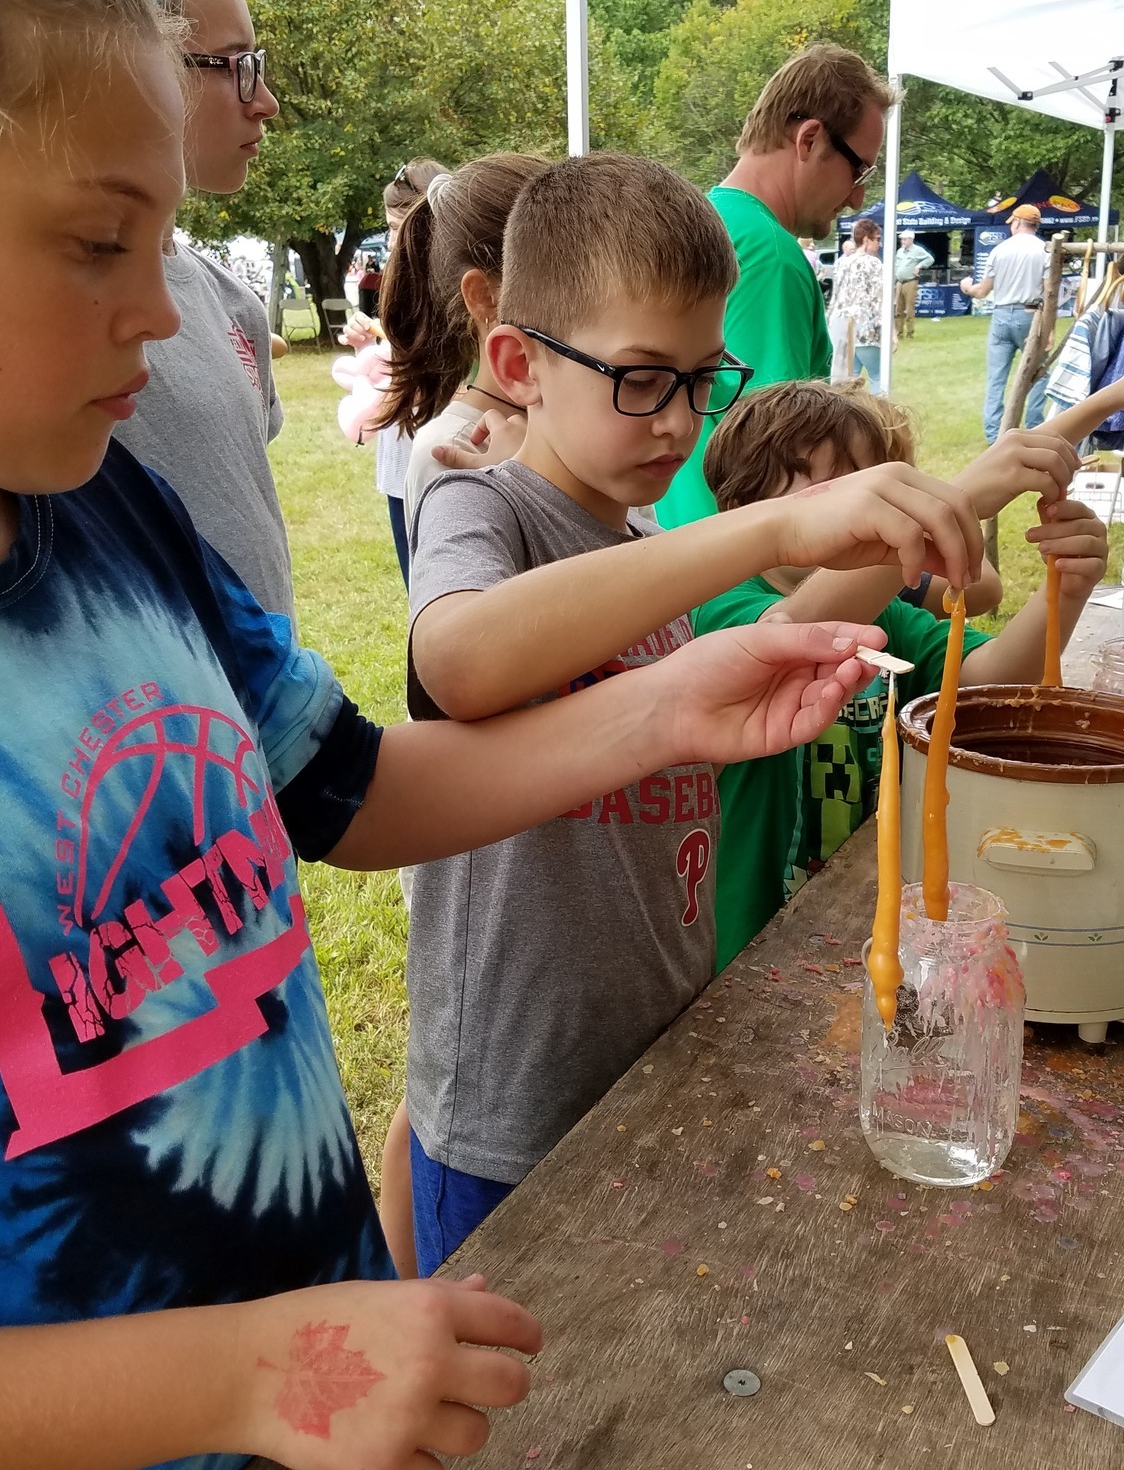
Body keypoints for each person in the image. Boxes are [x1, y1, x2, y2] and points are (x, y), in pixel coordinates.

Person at [0, 0, 909, 1464]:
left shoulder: (109, 514)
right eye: (96, 242)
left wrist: (666, 709)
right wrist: (241, 1377)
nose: (161, 312)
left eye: (165, 243)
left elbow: (350, 792)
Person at [401, 153, 992, 1276]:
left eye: (700, 377)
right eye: (640, 379)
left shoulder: (645, 548)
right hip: (513, 1100)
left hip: (653, 1046)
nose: (676, 419)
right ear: (520, 364)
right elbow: (458, 664)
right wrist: (765, 529)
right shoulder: (480, 509)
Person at [696, 357, 1124, 966]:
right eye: (836, 493)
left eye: (873, 490)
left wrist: (1065, 590)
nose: (865, 516)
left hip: (857, 929)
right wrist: (957, 496)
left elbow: (988, 683)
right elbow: (782, 645)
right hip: (745, 955)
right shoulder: (719, 609)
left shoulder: (881, 614)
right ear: (743, 507)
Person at [114, 0, 294, 618]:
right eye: (237, 66)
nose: (266, 102)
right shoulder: (65, 313)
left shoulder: (233, 302)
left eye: (258, 66)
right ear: (136, 68)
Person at [654, 44, 893, 528]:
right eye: (859, 169)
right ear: (810, 140)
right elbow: (783, 457)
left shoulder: (704, 222)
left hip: (683, 538)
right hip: (745, 558)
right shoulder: (772, 254)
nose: (857, 197)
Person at [384, 153, 548, 542]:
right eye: (563, 276)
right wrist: (527, 485)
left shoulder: (580, 420)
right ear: (484, 297)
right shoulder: (451, 453)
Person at [350, 157, 446, 586]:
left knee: (434, 588)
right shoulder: (400, 283)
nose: (390, 241)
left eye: (394, 227)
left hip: (432, 460)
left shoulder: (450, 289)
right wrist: (367, 344)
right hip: (401, 458)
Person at [960, 202, 1050, 443]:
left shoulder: (999, 250)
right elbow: (1050, 291)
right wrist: (1049, 328)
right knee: (1039, 373)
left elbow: (981, 291)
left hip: (1001, 315)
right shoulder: (1045, 250)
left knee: (996, 378)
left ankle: (994, 436)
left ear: (1018, 222)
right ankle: (1034, 426)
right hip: (1031, 315)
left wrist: (966, 287)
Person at [829, 217, 885, 387]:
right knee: (877, 376)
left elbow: (835, 297)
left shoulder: (842, 263)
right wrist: (891, 331)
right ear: (866, 239)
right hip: (865, 328)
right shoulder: (874, 263)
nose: (879, 244)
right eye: (877, 239)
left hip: (840, 327)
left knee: (847, 380)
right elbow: (879, 299)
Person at [894, 229, 936, 339]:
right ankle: (898, 333)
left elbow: (930, 259)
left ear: (911, 239)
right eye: (901, 239)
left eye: (904, 239)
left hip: (910, 282)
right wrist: (894, 281)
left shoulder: (917, 250)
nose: (902, 241)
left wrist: (919, 266)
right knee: (898, 310)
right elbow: (896, 267)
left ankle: (909, 334)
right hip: (899, 282)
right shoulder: (900, 251)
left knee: (909, 309)